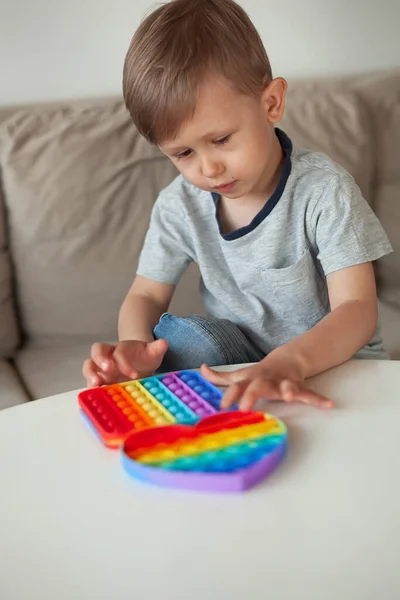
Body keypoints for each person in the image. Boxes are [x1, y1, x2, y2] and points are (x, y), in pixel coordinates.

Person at [82, 0, 392, 411]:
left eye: (222, 139)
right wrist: (134, 350)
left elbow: (356, 309)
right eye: (183, 153)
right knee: (183, 340)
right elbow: (146, 295)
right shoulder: (180, 205)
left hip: (333, 362)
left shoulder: (323, 190)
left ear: (270, 104)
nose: (209, 168)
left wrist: (288, 362)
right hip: (241, 363)